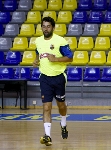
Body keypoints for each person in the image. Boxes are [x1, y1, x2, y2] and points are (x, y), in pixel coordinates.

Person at [33, 16, 73, 146]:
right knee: (46, 107)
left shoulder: (60, 41)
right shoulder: (38, 41)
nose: (46, 28)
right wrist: (36, 60)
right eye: (43, 26)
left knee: (61, 105)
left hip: (58, 77)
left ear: (53, 28)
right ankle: (48, 136)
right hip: (44, 78)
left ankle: (63, 123)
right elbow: (37, 52)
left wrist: (56, 59)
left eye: (48, 26)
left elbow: (70, 58)